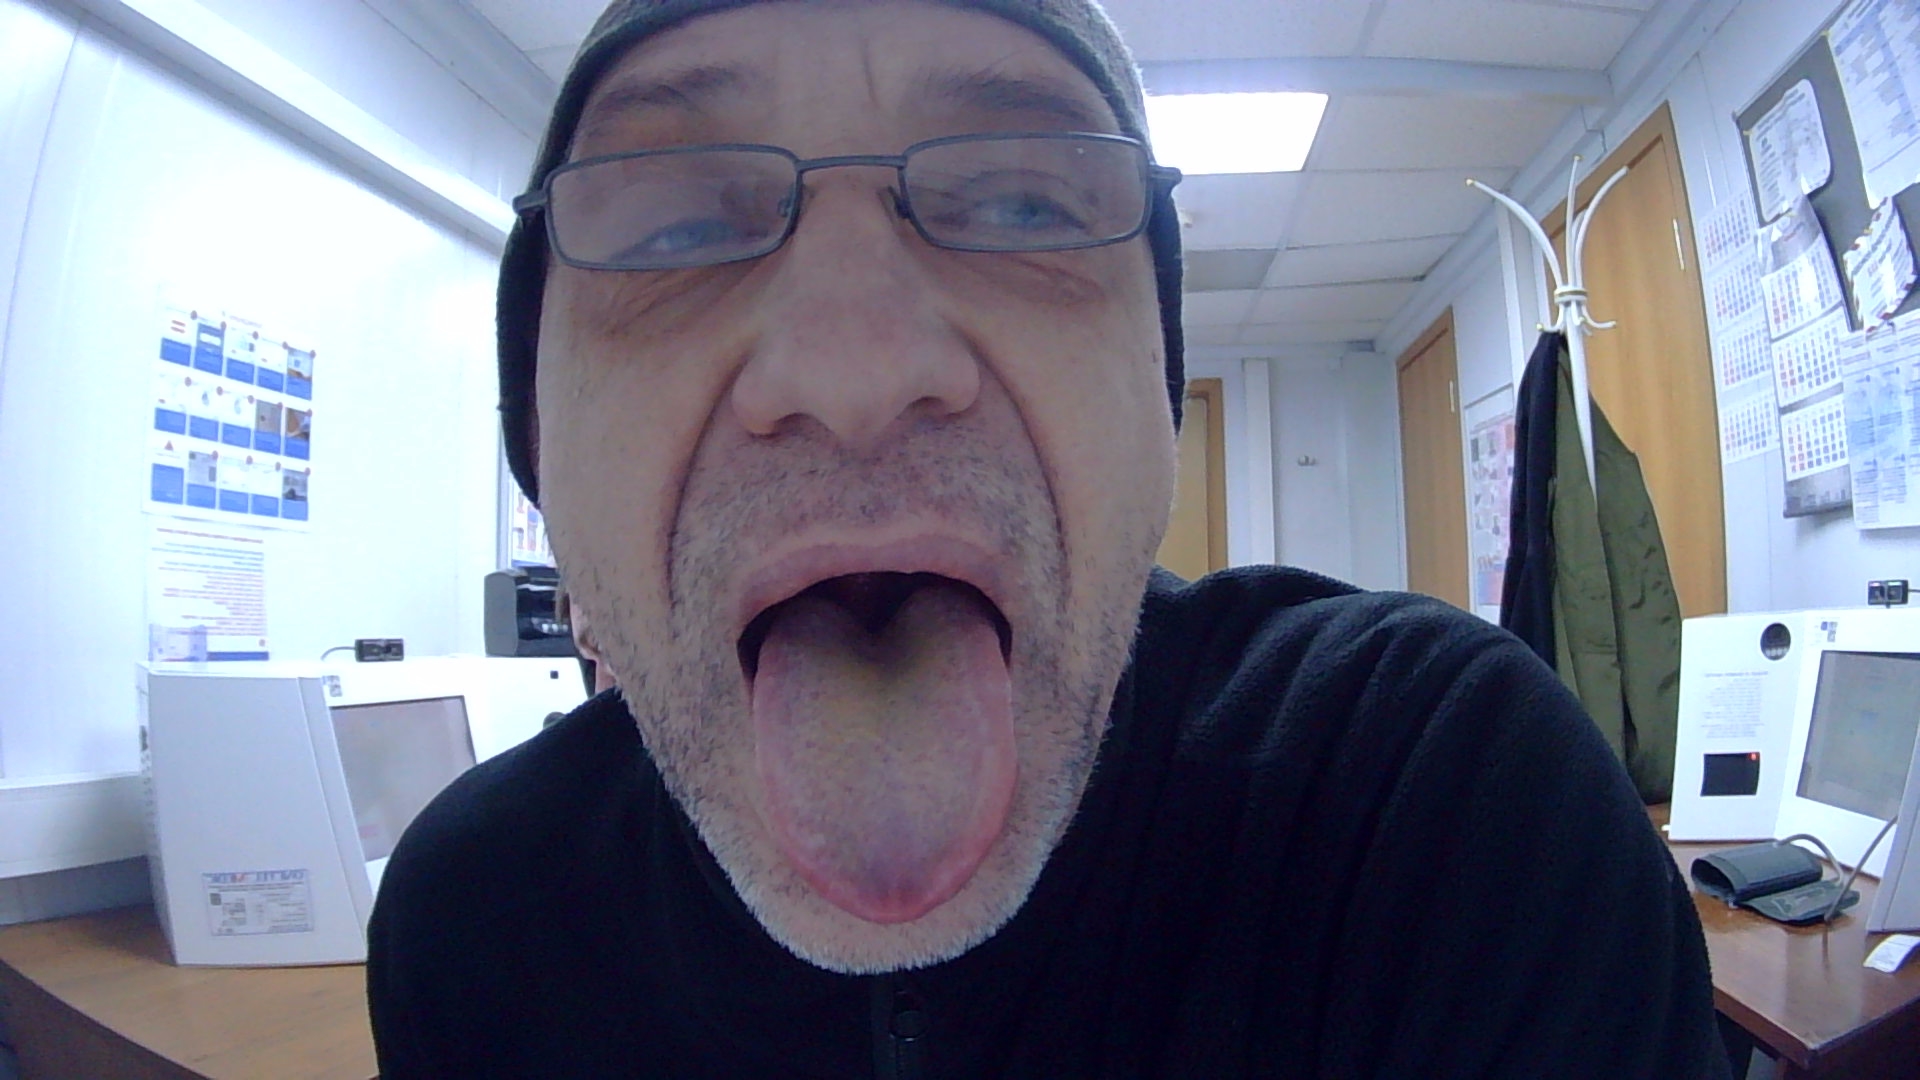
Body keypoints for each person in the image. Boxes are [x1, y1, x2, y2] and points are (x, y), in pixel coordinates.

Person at [367, 1, 1730, 1076]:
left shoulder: (1435, 807)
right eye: (671, 227)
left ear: (1158, 394)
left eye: (1026, 204)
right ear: (537, 435)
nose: (857, 374)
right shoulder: (476, 921)